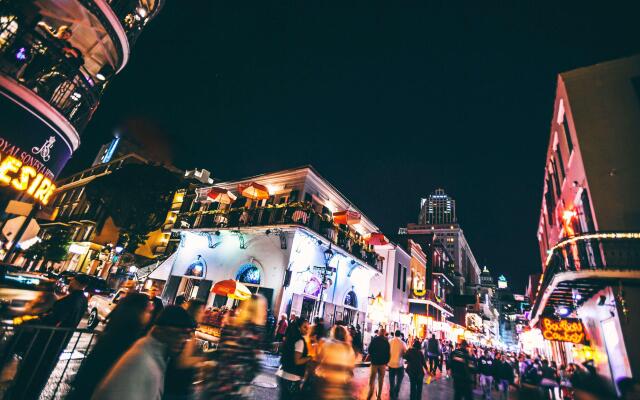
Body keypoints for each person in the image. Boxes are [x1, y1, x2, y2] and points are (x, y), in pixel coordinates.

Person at [9, 275, 90, 400]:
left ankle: (21, 393)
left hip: (48, 340)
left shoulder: (71, 299)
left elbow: (55, 319)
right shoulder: (82, 300)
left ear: (77, 282)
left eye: (72, 281)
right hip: (59, 341)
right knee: (41, 371)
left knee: (32, 369)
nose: (70, 283)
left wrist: (35, 322)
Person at [92, 306, 196, 400]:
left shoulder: (153, 355)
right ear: (159, 331)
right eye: (179, 334)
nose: (182, 341)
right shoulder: (143, 361)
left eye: (187, 336)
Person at [69, 293, 152, 400]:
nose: (149, 316)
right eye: (147, 311)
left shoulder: (114, 332)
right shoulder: (127, 339)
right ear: (137, 312)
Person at [204, 294, 267, 399]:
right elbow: (256, 365)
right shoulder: (256, 333)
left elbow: (219, 351)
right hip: (237, 387)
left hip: (218, 381)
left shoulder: (229, 326)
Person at [164, 299, 207, 400]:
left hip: (176, 386)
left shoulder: (187, 329)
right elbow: (182, 362)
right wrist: (204, 357)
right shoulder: (188, 331)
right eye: (201, 312)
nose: (203, 315)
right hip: (177, 387)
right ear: (194, 312)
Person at [314, 325, 356, 399]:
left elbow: (319, 361)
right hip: (340, 386)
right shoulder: (348, 349)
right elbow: (350, 369)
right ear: (345, 335)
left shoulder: (326, 344)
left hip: (326, 384)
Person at [277, 318, 311, 399]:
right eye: (304, 327)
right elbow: (297, 361)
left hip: (284, 374)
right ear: (299, 328)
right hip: (292, 378)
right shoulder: (300, 341)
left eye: (308, 327)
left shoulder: (292, 337)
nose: (307, 330)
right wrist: (309, 358)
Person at [366, 328, 390, 400]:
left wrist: (373, 357)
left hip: (374, 363)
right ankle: (379, 396)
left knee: (372, 379)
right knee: (381, 380)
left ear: (379, 333)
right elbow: (388, 354)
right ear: (384, 333)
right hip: (382, 364)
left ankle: (370, 393)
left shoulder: (374, 340)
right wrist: (386, 362)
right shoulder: (386, 342)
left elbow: (369, 350)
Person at [387, 330, 406, 400]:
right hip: (399, 364)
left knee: (391, 380)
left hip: (391, 364)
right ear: (400, 335)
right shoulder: (402, 343)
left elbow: (387, 351)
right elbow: (405, 352)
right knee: (399, 379)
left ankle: (392, 393)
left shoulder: (390, 341)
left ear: (394, 334)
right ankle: (396, 391)